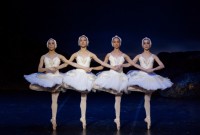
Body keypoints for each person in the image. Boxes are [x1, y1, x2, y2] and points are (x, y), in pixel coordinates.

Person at [24, 38, 89, 130]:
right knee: (31, 86)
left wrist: (58, 67)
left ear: (55, 45)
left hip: (57, 77)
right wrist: (48, 69)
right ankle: (52, 88)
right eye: (49, 43)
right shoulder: (43, 56)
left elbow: (67, 64)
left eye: (53, 43)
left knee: (55, 100)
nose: (51, 45)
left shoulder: (59, 56)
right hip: (47, 77)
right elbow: (39, 69)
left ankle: (53, 120)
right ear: (47, 45)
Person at [62, 35, 117, 130]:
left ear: (87, 42)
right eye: (81, 40)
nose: (83, 42)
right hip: (77, 75)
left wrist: (112, 67)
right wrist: (54, 68)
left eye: (84, 40)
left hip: (87, 76)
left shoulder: (91, 54)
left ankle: (83, 117)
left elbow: (102, 63)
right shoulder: (75, 54)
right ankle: (83, 117)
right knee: (78, 93)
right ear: (79, 42)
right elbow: (68, 62)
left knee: (84, 97)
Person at [125, 37, 173, 129]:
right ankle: (148, 117)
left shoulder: (153, 56)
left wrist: (153, 69)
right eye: (144, 43)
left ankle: (148, 118)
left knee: (147, 99)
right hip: (141, 76)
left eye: (147, 43)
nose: (146, 45)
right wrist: (122, 65)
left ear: (150, 45)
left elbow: (162, 65)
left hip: (151, 77)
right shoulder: (139, 56)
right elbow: (131, 63)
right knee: (127, 86)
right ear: (142, 45)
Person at [92, 35, 135, 130]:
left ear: (120, 43)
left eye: (118, 42)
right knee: (98, 86)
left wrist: (123, 64)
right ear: (112, 43)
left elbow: (130, 63)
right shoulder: (108, 54)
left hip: (120, 76)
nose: (116, 43)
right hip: (111, 75)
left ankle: (118, 119)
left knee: (118, 98)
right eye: (114, 42)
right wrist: (93, 68)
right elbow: (103, 65)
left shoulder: (124, 55)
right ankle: (117, 118)